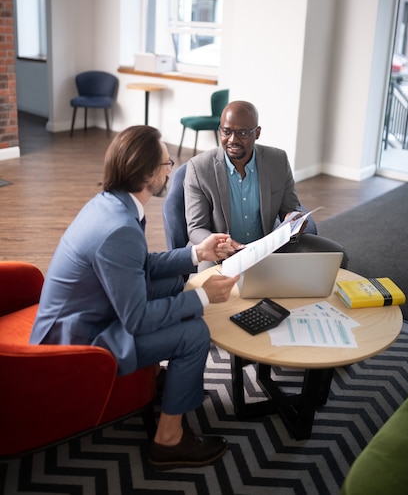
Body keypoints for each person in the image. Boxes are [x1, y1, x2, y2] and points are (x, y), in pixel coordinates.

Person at [30, 125, 240, 471]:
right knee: (195, 334)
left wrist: (196, 253)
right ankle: (168, 441)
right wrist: (202, 297)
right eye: (165, 163)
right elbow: (137, 319)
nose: (170, 168)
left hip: (91, 310)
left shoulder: (112, 205)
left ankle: (164, 381)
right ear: (146, 174)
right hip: (78, 339)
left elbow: (138, 266)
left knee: (175, 282)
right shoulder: (118, 229)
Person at [184, 100, 348, 271]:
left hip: (269, 248)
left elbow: (289, 208)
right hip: (219, 252)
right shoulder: (199, 168)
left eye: (242, 133)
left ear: (257, 133)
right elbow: (196, 229)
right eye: (226, 132)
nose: (233, 140)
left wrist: (293, 218)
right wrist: (222, 245)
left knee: (336, 257)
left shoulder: (277, 160)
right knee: (204, 290)